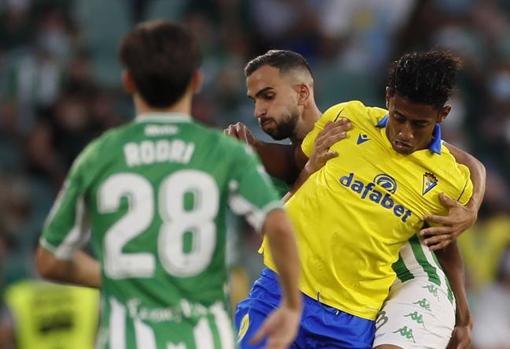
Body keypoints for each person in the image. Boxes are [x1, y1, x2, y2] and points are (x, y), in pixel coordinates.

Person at [35, 21, 302, 349]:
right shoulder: (225, 151)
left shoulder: (100, 154)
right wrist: (291, 306)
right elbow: (278, 225)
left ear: (128, 82)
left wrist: (125, 276)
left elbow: (49, 259)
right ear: (196, 81)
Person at [228, 50, 485, 348]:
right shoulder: (348, 118)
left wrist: (463, 316)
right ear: (388, 98)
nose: (404, 133)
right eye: (399, 118)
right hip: (279, 293)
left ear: (443, 115)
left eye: (419, 125)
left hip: (350, 318)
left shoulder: (449, 178)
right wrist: (253, 150)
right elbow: (295, 161)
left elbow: (446, 248)